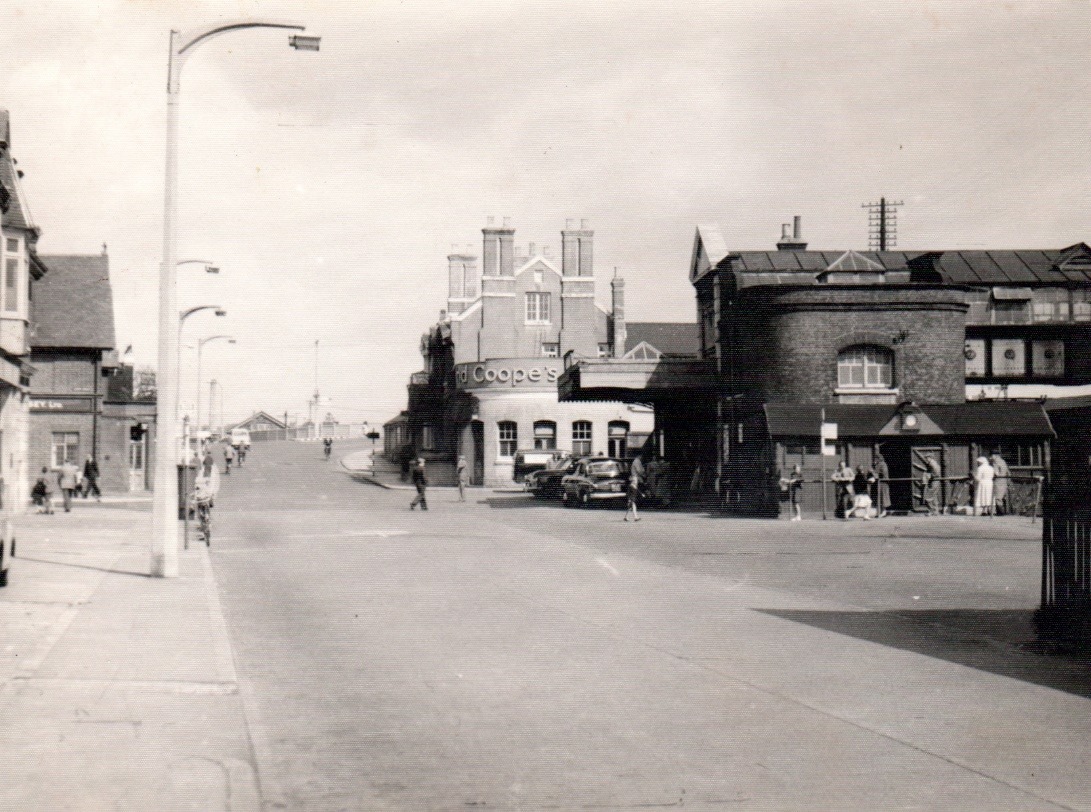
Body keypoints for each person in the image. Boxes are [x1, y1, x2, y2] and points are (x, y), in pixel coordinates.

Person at [872, 450, 891, 518]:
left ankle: (883, 512)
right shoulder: (881, 464)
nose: (874, 460)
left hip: (883, 483)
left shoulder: (881, 464)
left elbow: (877, 474)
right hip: (881, 483)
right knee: (881, 497)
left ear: (878, 458)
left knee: (883, 497)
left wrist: (873, 472)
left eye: (875, 458)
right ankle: (881, 512)